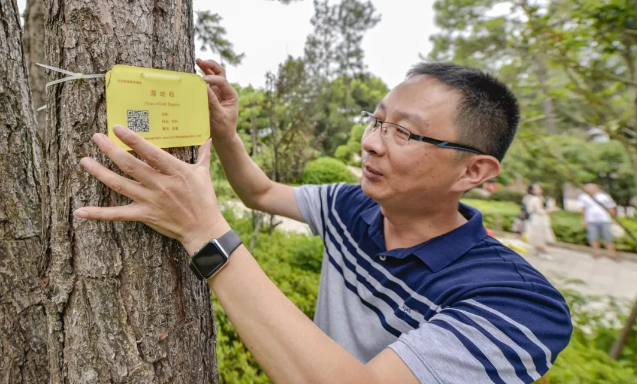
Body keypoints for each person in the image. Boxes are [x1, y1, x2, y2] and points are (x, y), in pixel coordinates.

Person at [74, 60, 572, 384]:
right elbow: (261, 192)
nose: (372, 142)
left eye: (405, 133)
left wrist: (203, 231)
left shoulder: (519, 306)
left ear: (475, 170)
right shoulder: (350, 205)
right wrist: (223, 130)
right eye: (377, 121)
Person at [578, 183, 620, 261]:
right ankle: (596, 253)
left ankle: (612, 254)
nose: (590, 189)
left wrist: (614, 219)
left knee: (608, 237)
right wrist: (583, 220)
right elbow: (583, 209)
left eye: (592, 187)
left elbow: (611, 208)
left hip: (605, 220)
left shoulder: (604, 196)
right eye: (588, 188)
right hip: (591, 221)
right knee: (593, 237)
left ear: (597, 188)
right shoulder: (583, 197)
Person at [522, 183, 555, 260]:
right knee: (539, 235)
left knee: (539, 234)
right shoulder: (534, 199)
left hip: (538, 219)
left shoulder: (537, 198)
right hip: (537, 219)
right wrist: (549, 210)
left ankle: (541, 250)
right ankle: (543, 251)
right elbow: (538, 211)